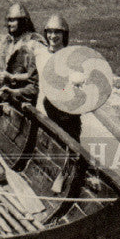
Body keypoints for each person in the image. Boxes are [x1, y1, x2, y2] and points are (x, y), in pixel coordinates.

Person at [37, 11, 81, 141]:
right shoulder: (39, 55)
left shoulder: (71, 56)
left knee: (70, 148)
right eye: (50, 32)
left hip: (66, 115)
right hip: (44, 109)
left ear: (64, 35)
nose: (53, 36)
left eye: (57, 32)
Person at [0, 3, 43, 106]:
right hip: (6, 93)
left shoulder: (34, 43)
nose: (9, 24)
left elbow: (37, 77)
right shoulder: (7, 42)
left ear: (22, 22)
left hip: (24, 97)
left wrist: (13, 77)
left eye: (13, 20)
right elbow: (1, 67)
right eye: (8, 20)